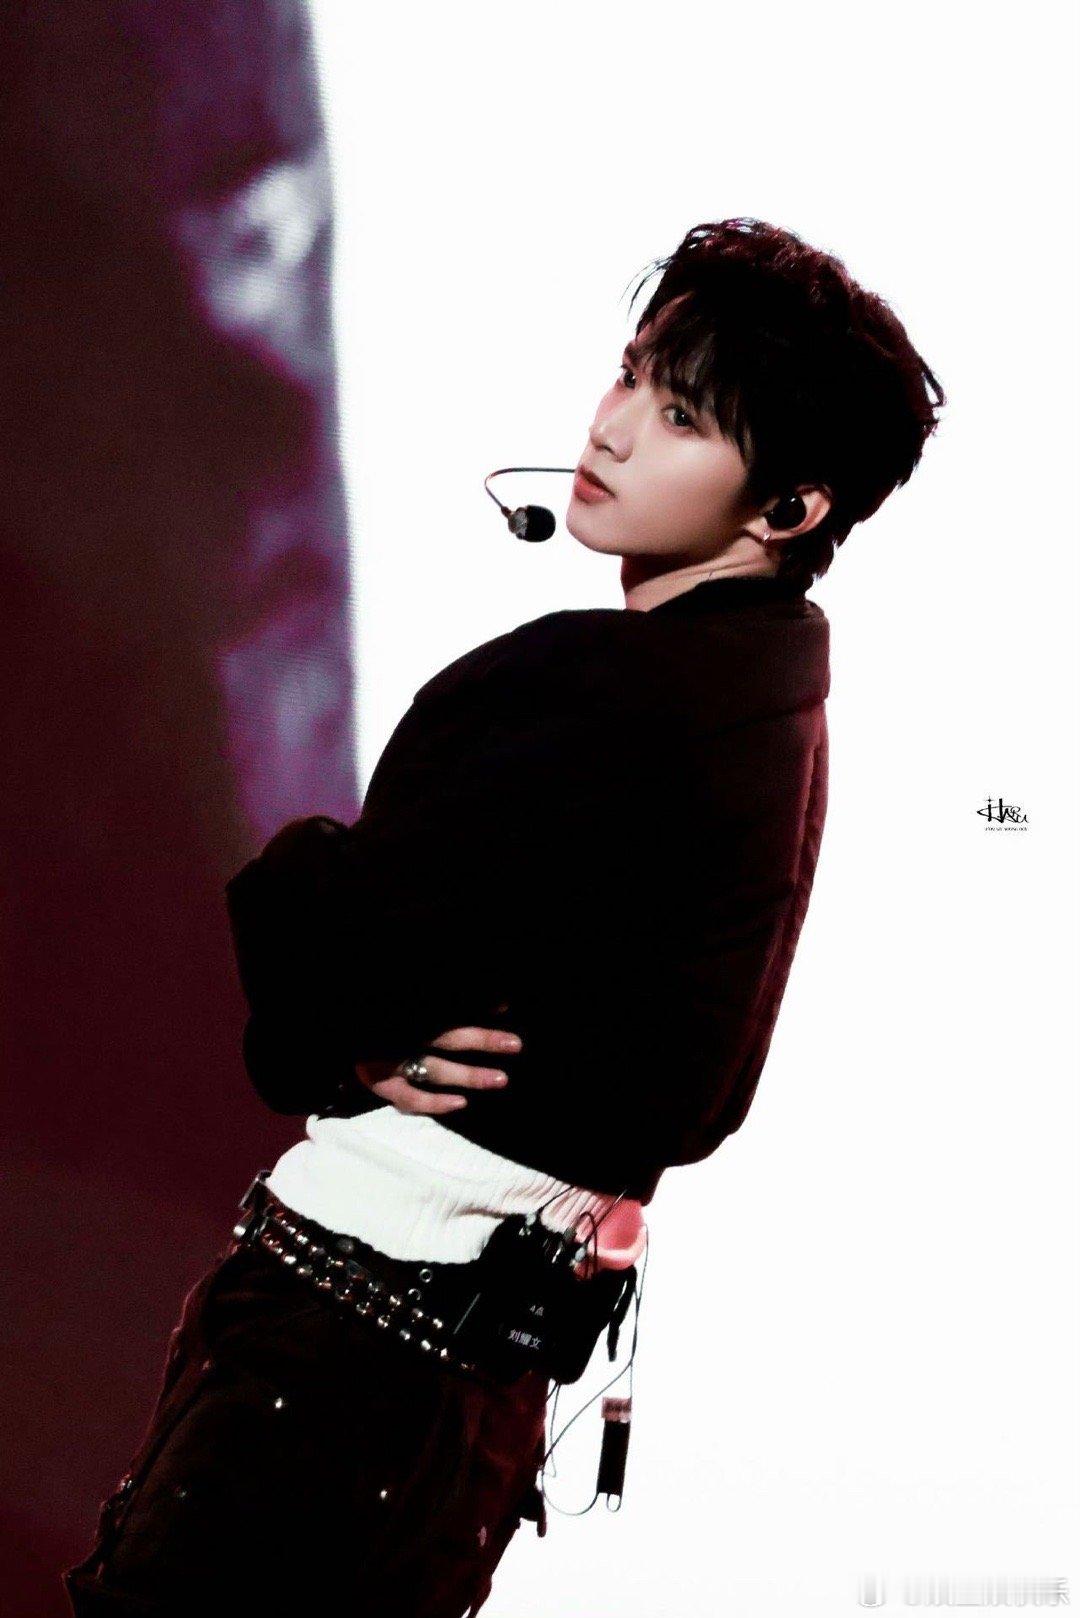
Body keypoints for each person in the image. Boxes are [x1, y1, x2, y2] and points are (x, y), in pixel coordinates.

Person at [63, 216, 945, 1617]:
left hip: (344, 1351)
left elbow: (319, 974)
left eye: (681, 416)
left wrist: (321, 944)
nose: (613, 428)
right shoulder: (774, 711)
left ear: (788, 508)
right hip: (461, 1392)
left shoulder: (600, 690)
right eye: (631, 375)